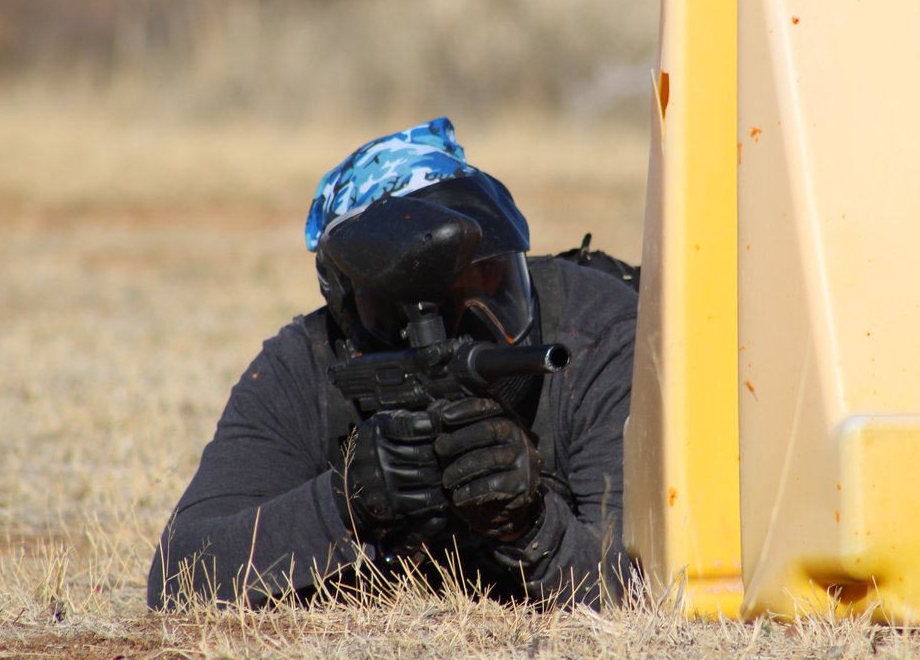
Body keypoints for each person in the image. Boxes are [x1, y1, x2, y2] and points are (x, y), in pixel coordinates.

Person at [147, 117, 638, 610]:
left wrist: (530, 523)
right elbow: (178, 580)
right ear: (350, 311)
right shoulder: (304, 367)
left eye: (486, 282)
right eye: (420, 303)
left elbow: (643, 590)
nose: (464, 335)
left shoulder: (598, 337)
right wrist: (345, 501)